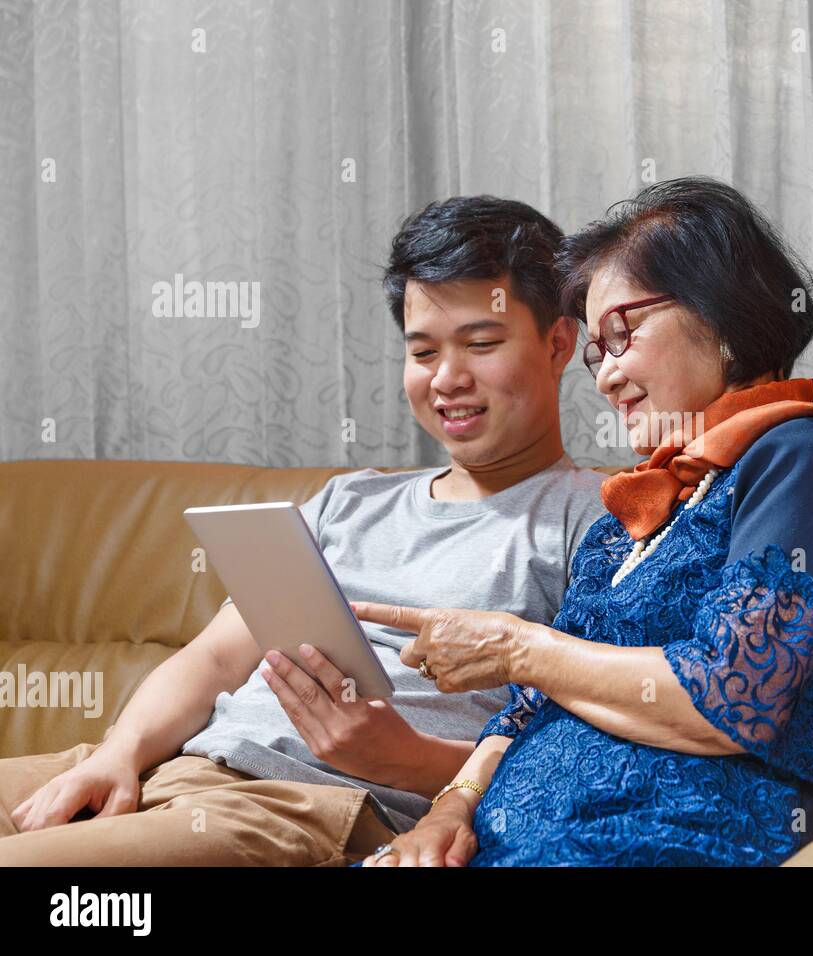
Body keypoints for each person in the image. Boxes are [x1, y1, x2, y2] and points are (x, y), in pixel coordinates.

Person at [353, 176, 813, 867]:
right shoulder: (631, 516)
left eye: (623, 334)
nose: (604, 377)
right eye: (597, 352)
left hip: (670, 843)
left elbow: (736, 694)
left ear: (722, 315)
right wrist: (448, 811)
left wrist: (521, 647)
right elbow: (525, 709)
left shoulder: (793, 455)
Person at [0, 196, 608, 866]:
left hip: (290, 808)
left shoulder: (593, 521)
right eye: (423, 350)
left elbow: (589, 755)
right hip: (165, 769)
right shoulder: (349, 500)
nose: (447, 379)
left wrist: (408, 762)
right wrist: (117, 755)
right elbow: (213, 660)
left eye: (481, 343)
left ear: (558, 343)